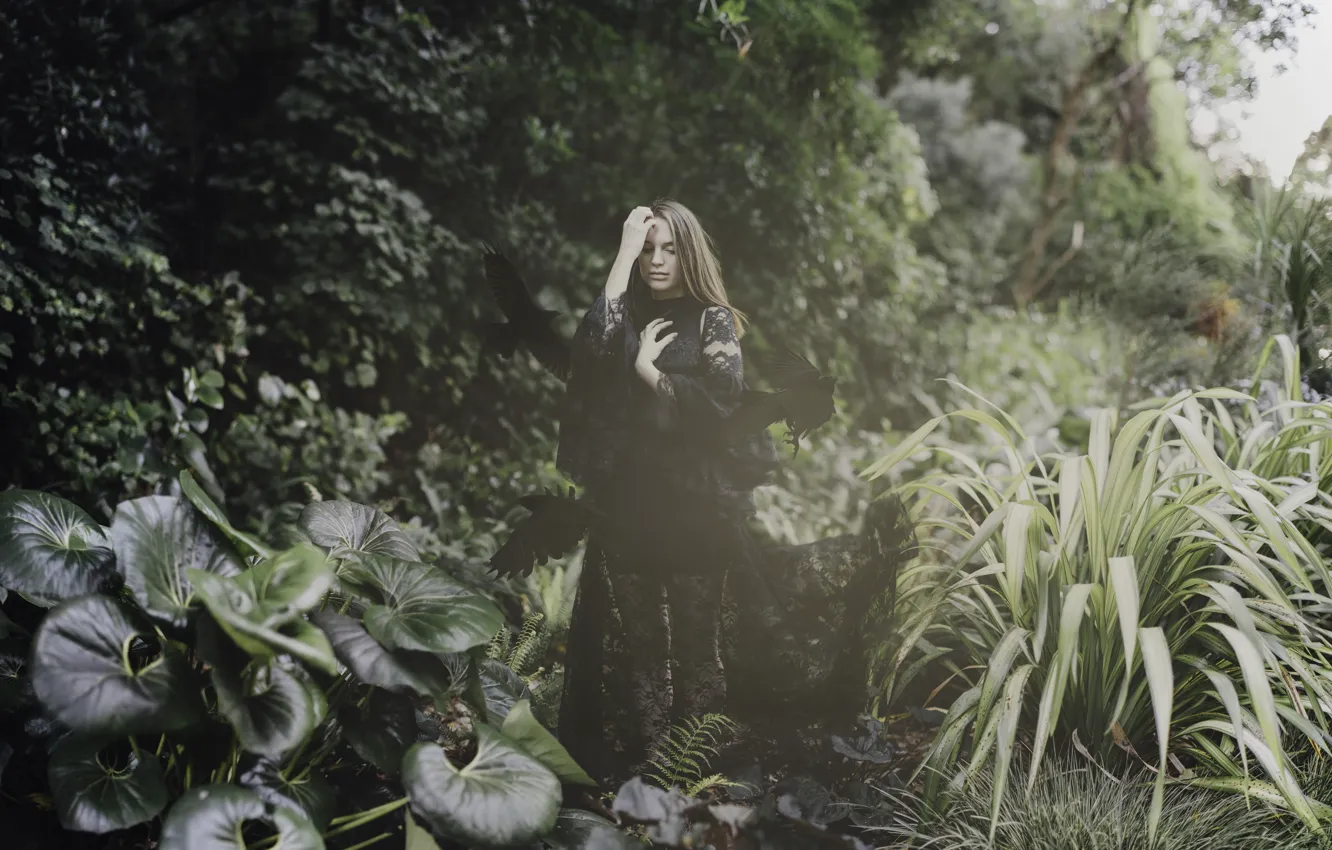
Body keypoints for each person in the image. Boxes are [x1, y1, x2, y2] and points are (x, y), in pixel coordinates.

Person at [555, 200, 777, 773]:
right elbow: (589, 353)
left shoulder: (712, 318)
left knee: (698, 643)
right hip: (630, 504)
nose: (657, 260)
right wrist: (623, 251)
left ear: (690, 252)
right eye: (648, 248)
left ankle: (699, 770)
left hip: (695, 507)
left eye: (669, 248)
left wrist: (650, 375)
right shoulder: (623, 312)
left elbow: (722, 404)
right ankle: (653, 763)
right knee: (640, 645)